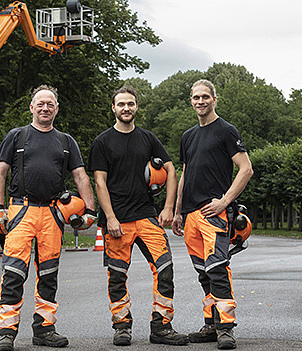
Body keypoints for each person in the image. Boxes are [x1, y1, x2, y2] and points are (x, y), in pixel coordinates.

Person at [0, 85, 96, 351]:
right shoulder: (17, 136)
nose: (45, 108)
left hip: (52, 214)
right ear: (32, 107)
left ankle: (45, 330)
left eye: (50, 104)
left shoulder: (65, 141)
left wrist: (91, 212)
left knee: (48, 274)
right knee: (13, 273)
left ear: (56, 109)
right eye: (40, 104)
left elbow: (81, 177)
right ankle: (5, 332)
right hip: (20, 212)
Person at [88, 86, 188, 347]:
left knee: (165, 268)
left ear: (136, 107)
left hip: (146, 215)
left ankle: (161, 327)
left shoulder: (148, 138)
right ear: (113, 108)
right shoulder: (102, 142)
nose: (126, 108)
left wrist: (168, 208)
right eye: (121, 104)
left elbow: (171, 170)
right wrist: (109, 217)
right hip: (117, 220)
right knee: (117, 275)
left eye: (130, 104)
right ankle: (122, 326)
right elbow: (100, 182)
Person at [173, 79, 253, 350]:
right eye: (196, 97)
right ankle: (211, 324)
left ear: (214, 99)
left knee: (217, 268)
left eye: (205, 97)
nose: (200, 101)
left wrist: (224, 202)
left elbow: (246, 169)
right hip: (191, 215)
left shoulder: (227, 131)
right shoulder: (188, 136)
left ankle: (226, 328)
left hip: (213, 213)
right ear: (191, 101)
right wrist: (177, 211)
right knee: (202, 273)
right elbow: (185, 174)